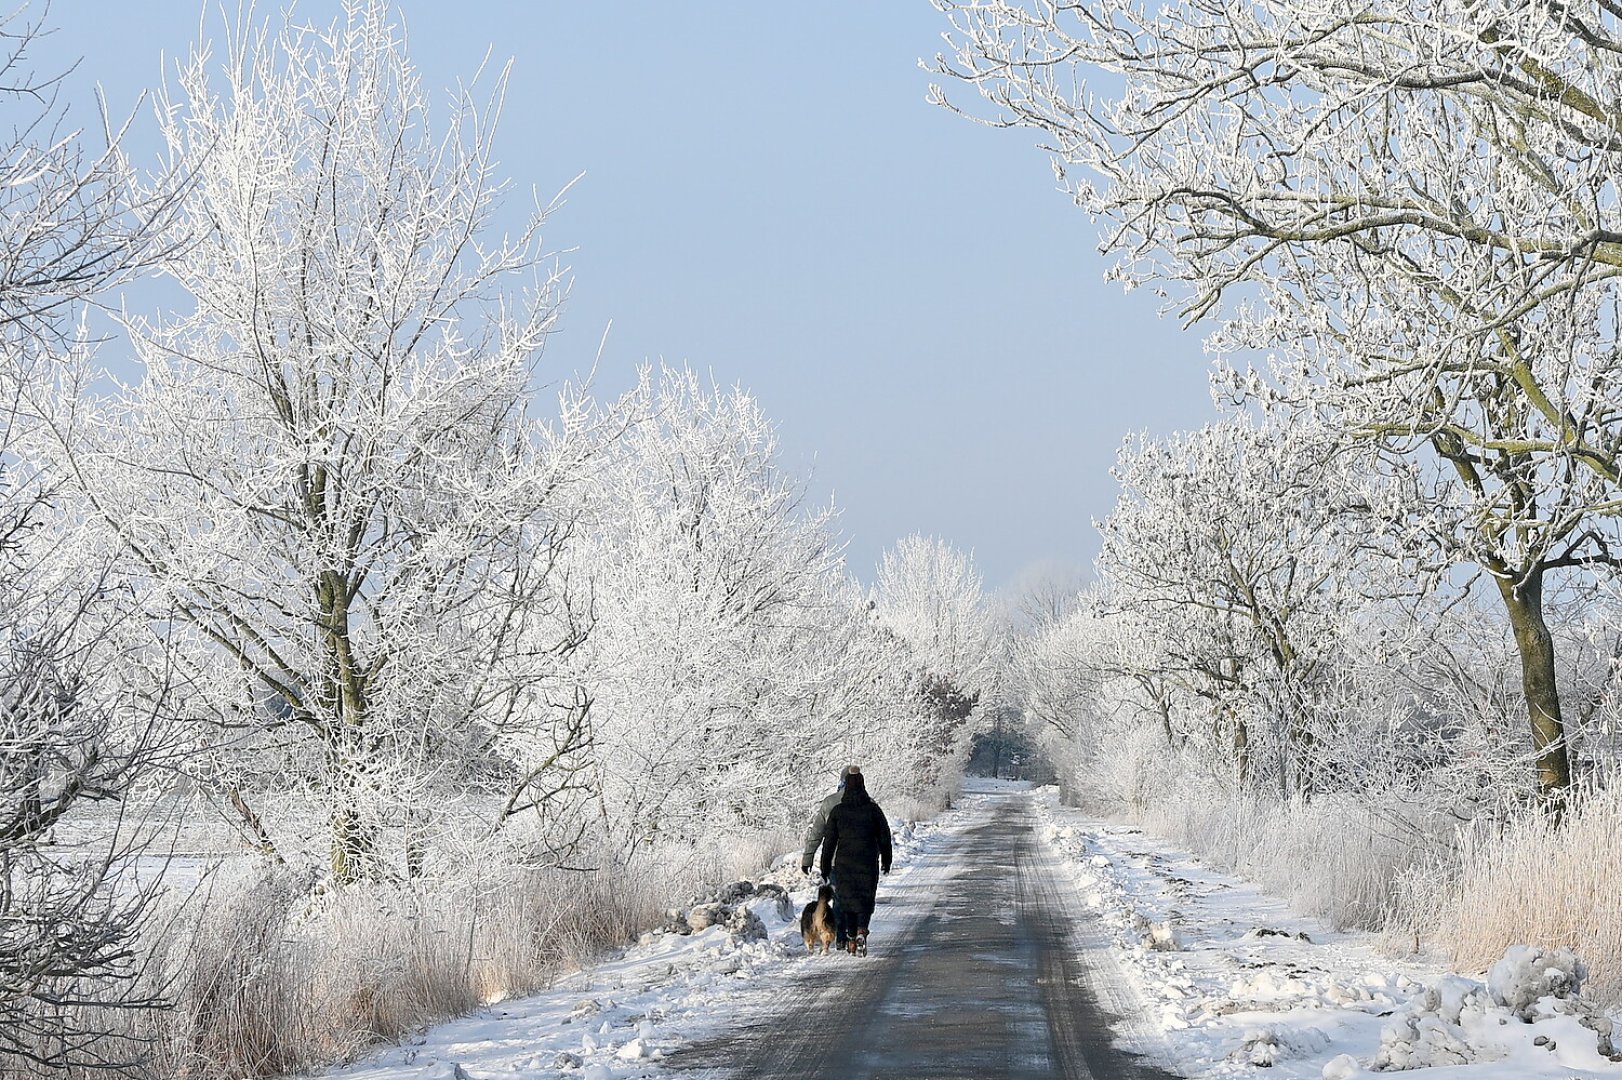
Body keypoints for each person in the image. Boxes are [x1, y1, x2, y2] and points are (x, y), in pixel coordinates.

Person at [819, 770, 892, 956]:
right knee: (865, 900)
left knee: (847, 901)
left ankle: (851, 935)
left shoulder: (838, 812)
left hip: (844, 864)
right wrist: (886, 859)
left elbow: (829, 842)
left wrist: (825, 865)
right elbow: (884, 836)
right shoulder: (873, 810)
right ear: (863, 786)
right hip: (867, 863)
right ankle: (861, 931)